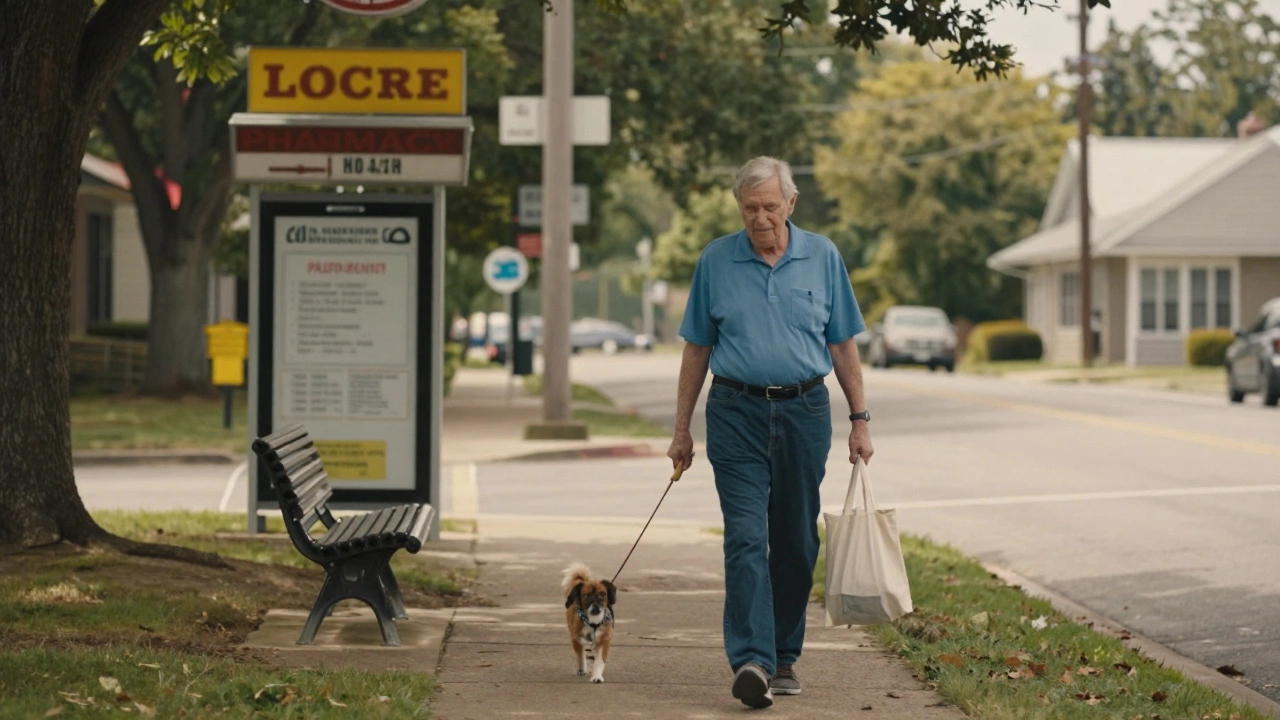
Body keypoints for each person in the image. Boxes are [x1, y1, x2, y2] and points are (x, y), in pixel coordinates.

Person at [666, 156, 873, 710]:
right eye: (750, 208)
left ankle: (784, 656)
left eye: (770, 207)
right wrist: (681, 428)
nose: (760, 218)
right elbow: (697, 350)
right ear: (740, 207)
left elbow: (843, 345)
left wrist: (859, 419)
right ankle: (752, 660)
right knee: (744, 538)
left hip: (805, 411)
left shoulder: (823, 256)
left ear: (791, 204)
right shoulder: (716, 260)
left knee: (796, 540)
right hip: (735, 411)